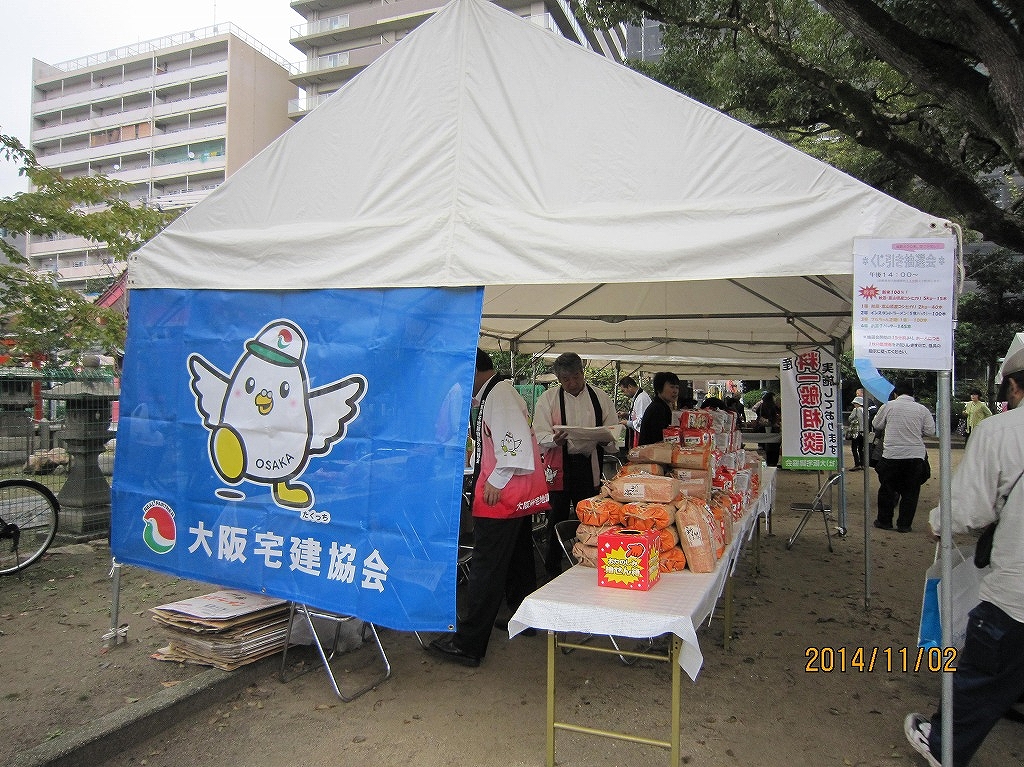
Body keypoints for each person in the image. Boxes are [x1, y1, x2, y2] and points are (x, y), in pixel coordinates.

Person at [905, 346, 1024, 767]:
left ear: (1014, 385)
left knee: (981, 674)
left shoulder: (1002, 431)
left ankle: (944, 747)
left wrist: (938, 523)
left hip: (1015, 592)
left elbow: (970, 508)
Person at [427, 349, 549, 667]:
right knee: (519, 557)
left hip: (502, 494)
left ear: (473, 370)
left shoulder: (499, 395)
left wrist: (496, 479)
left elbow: (514, 444)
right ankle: (523, 617)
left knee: (486, 564)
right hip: (514, 495)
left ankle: (469, 643)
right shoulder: (497, 392)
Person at [534, 352, 617, 578]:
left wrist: (606, 438)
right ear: (559, 379)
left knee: (591, 518)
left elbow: (614, 431)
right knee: (556, 518)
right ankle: (552, 569)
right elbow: (539, 433)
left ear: (583, 373)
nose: (572, 383)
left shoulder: (600, 397)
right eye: (566, 379)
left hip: (588, 464)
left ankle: (589, 563)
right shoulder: (548, 399)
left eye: (576, 377)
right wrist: (554, 440)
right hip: (559, 465)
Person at [871, 380, 935, 532]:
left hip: (891, 455)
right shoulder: (922, 409)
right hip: (915, 456)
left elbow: (876, 424)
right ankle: (904, 525)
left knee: (887, 490)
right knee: (911, 492)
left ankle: (884, 521)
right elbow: (930, 431)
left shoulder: (888, 406)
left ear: (895, 394)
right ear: (913, 395)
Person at [637, 372, 680, 446]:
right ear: (659, 389)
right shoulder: (657, 409)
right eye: (672, 387)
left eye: (677, 387)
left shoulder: (661, 406)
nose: (675, 391)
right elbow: (658, 439)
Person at [619, 375, 652, 450]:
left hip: (641, 437)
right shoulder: (637, 397)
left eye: (623, 391)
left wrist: (627, 423)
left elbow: (642, 421)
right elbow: (637, 415)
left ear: (630, 386)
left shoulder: (642, 398)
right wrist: (627, 415)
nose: (624, 394)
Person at [753, 391, 782, 466]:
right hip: (772, 428)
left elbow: (756, 411)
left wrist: (763, 417)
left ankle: (769, 460)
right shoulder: (772, 406)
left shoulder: (762, 405)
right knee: (774, 444)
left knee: (767, 444)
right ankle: (773, 461)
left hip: (762, 427)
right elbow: (773, 418)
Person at [848, 395, 865, 470]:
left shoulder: (856, 409)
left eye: (855, 403)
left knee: (854, 448)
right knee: (861, 448)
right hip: (863, 432)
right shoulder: (865, 410)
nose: (854, 404)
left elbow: (850, 418)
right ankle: (862, 464)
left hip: (856, 431)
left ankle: (857, 464)